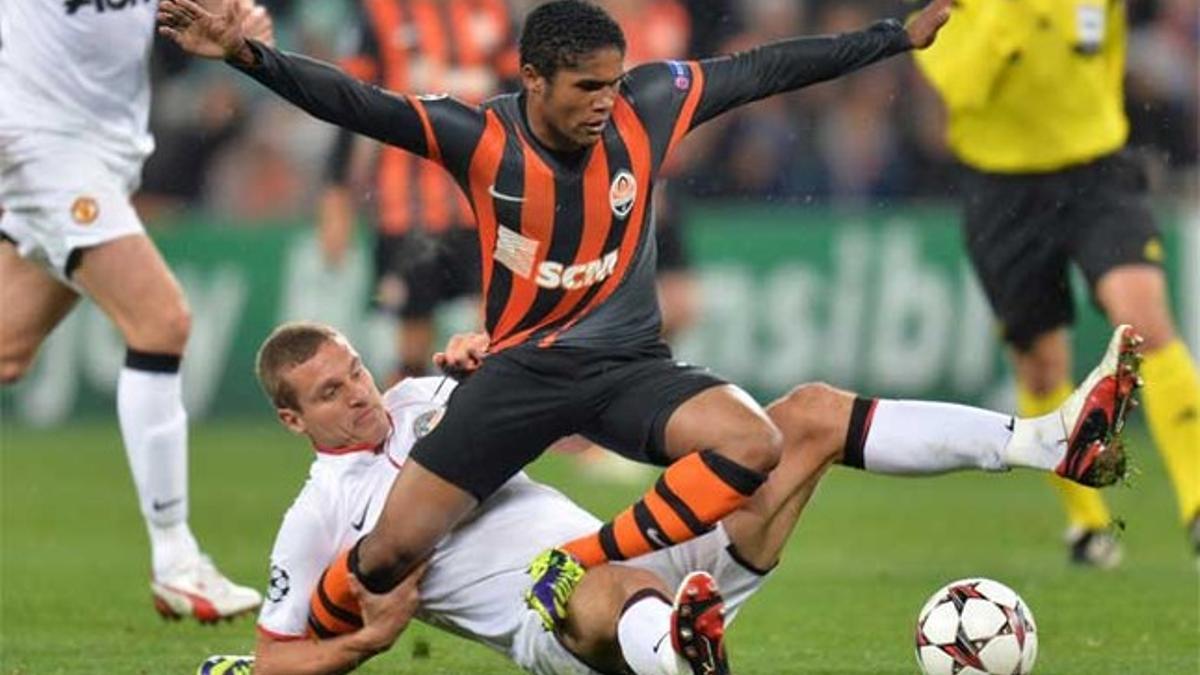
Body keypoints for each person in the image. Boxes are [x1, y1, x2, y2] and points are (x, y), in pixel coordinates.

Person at [157, 0, 959, 632]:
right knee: (393, 549)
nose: (608, 103)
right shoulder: (478, 134)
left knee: (755, 440)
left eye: (616, 82)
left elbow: (766, 67)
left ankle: (596, 569)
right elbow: (357, 103)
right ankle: (293, 650)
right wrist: (247, 55)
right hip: (517, 371)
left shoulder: (650, 105)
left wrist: (894, 37)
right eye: (589, 86)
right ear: (535, 78)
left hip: (617, 364)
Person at [215, 319, 1139, 675]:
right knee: (607, 588)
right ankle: (680, 655)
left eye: (356, 371)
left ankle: (1045, 441)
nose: (361, 393)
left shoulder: (426, 399)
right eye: (331, 393)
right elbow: (269, 657)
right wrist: (372, 640)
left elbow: (529, 392)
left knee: (807, 415)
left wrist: (489, 357)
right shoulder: (318, 512)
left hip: (654, 557)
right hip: (562, 611)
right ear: (295, 421)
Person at [0, 0, 265, 620]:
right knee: (162, 321)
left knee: (7, 350)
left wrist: (225, 19)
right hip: (42, 145)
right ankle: (176, 560)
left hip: (105, 149)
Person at [915, 0, 1200, 566]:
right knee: (1040, 363)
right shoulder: (953, 12)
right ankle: (1087, 525)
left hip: (1097, 174)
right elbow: (966, 90)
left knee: (1143, 320)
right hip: (1002, 191)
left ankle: (1197, 503)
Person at [319, 0, 519, 380]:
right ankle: (406, 434)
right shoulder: (380, 13)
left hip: (485, 202)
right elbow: (347, 106)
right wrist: (337, 196)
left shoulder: (494, 11)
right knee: (412, 346)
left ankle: (495, 428)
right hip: (406, 208)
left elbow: (522, 95)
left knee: (501, 333)